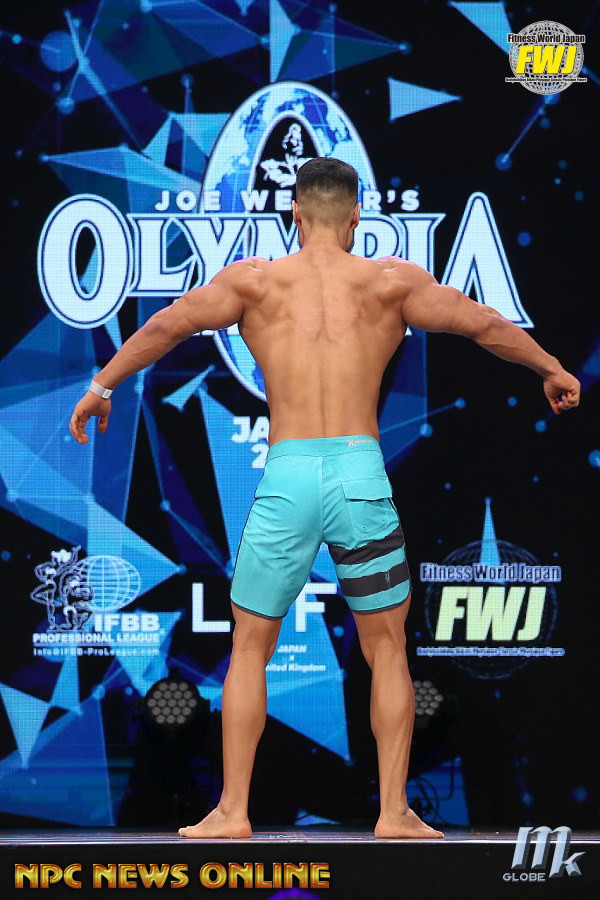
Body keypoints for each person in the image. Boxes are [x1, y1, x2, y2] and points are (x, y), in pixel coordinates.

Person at [70, 157, 580, 840]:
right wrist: (550, 367)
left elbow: (168, 325)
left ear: (295, 214)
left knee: (250, 646)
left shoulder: (254, 282)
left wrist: (101, 386)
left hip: (288, 476)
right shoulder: (391, 282)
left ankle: (234, 811)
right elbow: (483, 322)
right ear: (357, 217)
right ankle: (394, 812)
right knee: (387, 647)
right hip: (358, 475)